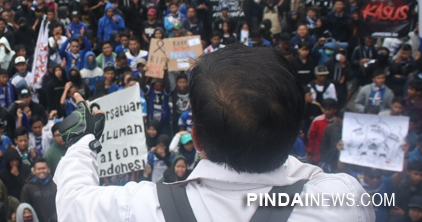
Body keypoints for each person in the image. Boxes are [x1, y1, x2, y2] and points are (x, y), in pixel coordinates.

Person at [54, 44, 374, 221]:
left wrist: (86, 141)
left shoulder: (140, 208)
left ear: (196, 138)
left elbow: (72, 201)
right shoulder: (342, 203)